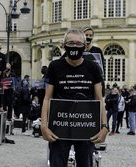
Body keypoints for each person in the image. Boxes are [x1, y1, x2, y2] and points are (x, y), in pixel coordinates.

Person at [41, 29, 108, 167]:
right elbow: (47, 98)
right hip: (59, 125)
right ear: (64, 45)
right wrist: (43, 126)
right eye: (71, 43)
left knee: (85, 163)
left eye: (78, 43)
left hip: (86, 125)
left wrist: (105, 127)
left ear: (85, 45)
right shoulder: (54, 66)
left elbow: (99, 99)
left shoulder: (93, 67)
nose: (75, 46)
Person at [82, 26, 106, 97]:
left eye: (90, 35)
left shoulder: (97, 50)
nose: (88, 37)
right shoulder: (77, 49)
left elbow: (102, 68)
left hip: (94, 82)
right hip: (81, 81)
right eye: (86, 35)